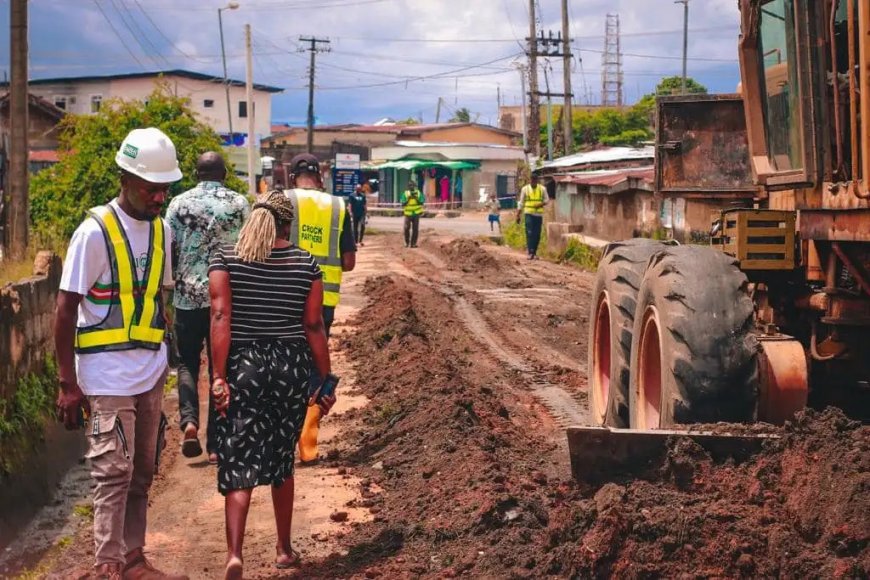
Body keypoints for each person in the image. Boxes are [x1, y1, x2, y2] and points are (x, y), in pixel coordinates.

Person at [54, 127, 188, 580]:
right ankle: (107, 564)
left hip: (149, 372)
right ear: (126, 178)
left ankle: (133, 559)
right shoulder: (93, 233)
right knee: (112, 473)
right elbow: (65, 308)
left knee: (143, 472)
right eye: (152, 188)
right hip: (105, 376)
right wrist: (68, 385)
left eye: (165, 188)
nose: (159, 197)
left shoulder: (164, 231)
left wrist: (170, 361)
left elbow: (157, 300)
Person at [209, 191, 336, 579]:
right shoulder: (305, 262)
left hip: (244, 366)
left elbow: (220, 315)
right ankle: (283, 549)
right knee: (282, 460)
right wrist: (325, 381)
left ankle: (235, 553)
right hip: (290, 368)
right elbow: (314, 326)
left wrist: (217, 376)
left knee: (239, 458)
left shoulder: (225, 257)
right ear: (287, 224)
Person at [166, 152, 249, 464]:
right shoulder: (239, 204)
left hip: (187, 297)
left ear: (196, 174)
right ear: (224, 173)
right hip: (225, 299)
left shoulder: (178, 204)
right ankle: (216, 445)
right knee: (221, 368)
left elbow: (168, 248)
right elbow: (248, 249)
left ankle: (189, 423)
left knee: (187, 363)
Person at [284, 153, 356, 464]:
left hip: (285, 297)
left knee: (285, 362)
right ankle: (308, 434)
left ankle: (282, 433)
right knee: (316, 363)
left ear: (292, 177)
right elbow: (350, 262)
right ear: (321, 177)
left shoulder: (281, 200)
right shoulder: (339, 207)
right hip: (323, 299)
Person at [516, 174, 548, 259]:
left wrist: (540, 204)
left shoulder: (542, 189)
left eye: (535, 179)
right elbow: (521, 203)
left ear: (537, 180)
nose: (533, 181)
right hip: (528, 213)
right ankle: (530, 252)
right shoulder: (525, 189)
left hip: (538, 215)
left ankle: (534, 252)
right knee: (529, 232)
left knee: (537, 234)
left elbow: (547, 200)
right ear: (530, 180)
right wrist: (518, 215)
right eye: (532, 180)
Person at [400, 179, 425, 248]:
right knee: (406, 228)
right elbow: (403, 204)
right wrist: (408, 199)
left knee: (415, 229)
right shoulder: (405, 194)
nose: (411, 187)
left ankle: (413, 243)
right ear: (408, 187)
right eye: (410, 186)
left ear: (414, 186)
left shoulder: (418, 193)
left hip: (416, 214)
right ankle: (406, 242)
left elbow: (422, 202)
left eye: (412, 186)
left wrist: (416, 199)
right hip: (408, 214)